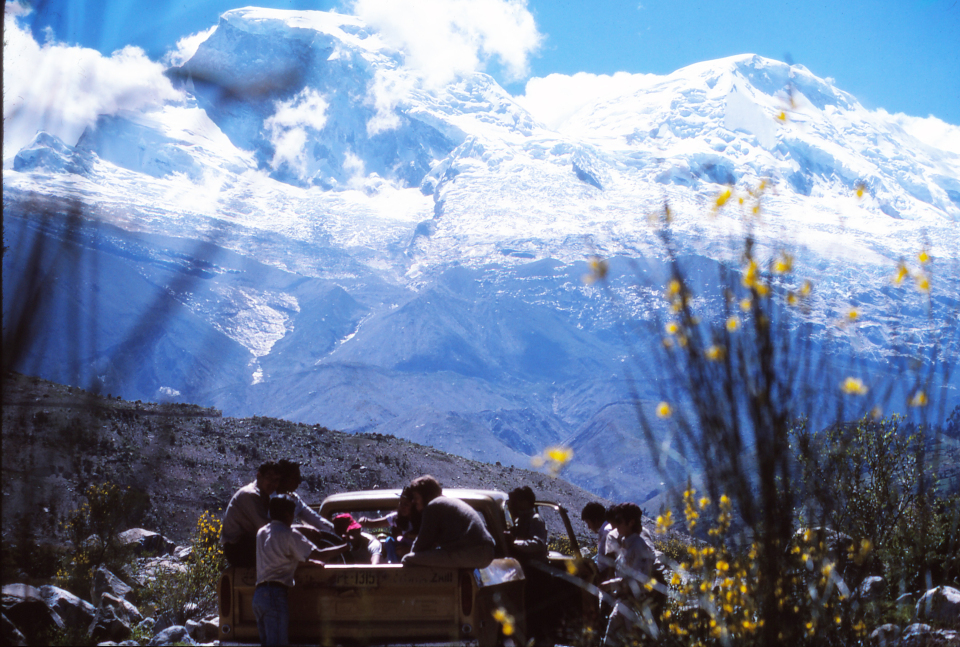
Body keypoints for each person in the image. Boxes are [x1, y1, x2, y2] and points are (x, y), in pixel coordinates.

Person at [253, 494, 347, 647]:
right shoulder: (289, 535)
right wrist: (346, 547)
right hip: (275, 596)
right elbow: (319, 554)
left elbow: (279, 559)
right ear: (287, 515)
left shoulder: (261, 533)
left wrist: (308, 563)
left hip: (259, 596)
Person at [401, 475, 496, 569]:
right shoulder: (444, 503)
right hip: (484, 551)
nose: (413, 501)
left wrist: (408, 552)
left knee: (408, 559)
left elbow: (421, 545)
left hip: (473, 552)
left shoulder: (432, 506)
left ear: (425, 495)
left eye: (416, 497)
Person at [600, 503, 656, 647]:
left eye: (619, 521)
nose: (616, 525)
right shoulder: (627, 544)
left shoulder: (638, 546)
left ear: (631, 522)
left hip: (634, 605)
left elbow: (638, 580)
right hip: (624, 603)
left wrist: (611, 584)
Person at [222, 462, 282, 567]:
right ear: (259, 476)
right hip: (237, 548)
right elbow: (265, 528)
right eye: (269, 478)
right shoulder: (250, 495)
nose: (272, 483)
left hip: (247, 543)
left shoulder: (263, 496)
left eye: (276, 480)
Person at [358, 487, 420, 563]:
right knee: (389, 541)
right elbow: (375, 523)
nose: (402, 507)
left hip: (417, 553)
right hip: (402, 551)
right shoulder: (396, 517)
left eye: (406, 504)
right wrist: (364, 521)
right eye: (401, 503)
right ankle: (394, 566)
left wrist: (409, 549)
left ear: (413, 506)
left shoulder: (422, 519)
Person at [275, 459, 336, 535]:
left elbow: (314, 519)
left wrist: (333, 530)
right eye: (295, 478)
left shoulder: (294, 499)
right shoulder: (270, 499)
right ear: (284, 478)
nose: (299, 482)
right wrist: (303, 529)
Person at [504, 486, 548, 561]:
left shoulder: (535, 519)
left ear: (525, 503)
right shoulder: (519, 520)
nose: (513, 505)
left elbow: (538, 545)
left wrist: (514, 543)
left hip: (533, 563)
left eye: (516, 502)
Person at [582, 502, 619, 579]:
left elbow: (611, 558)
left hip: (605, 576)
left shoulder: (607, 531)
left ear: (595, 520)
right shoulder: (605, 530)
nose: (589, 527)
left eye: (588, 522)